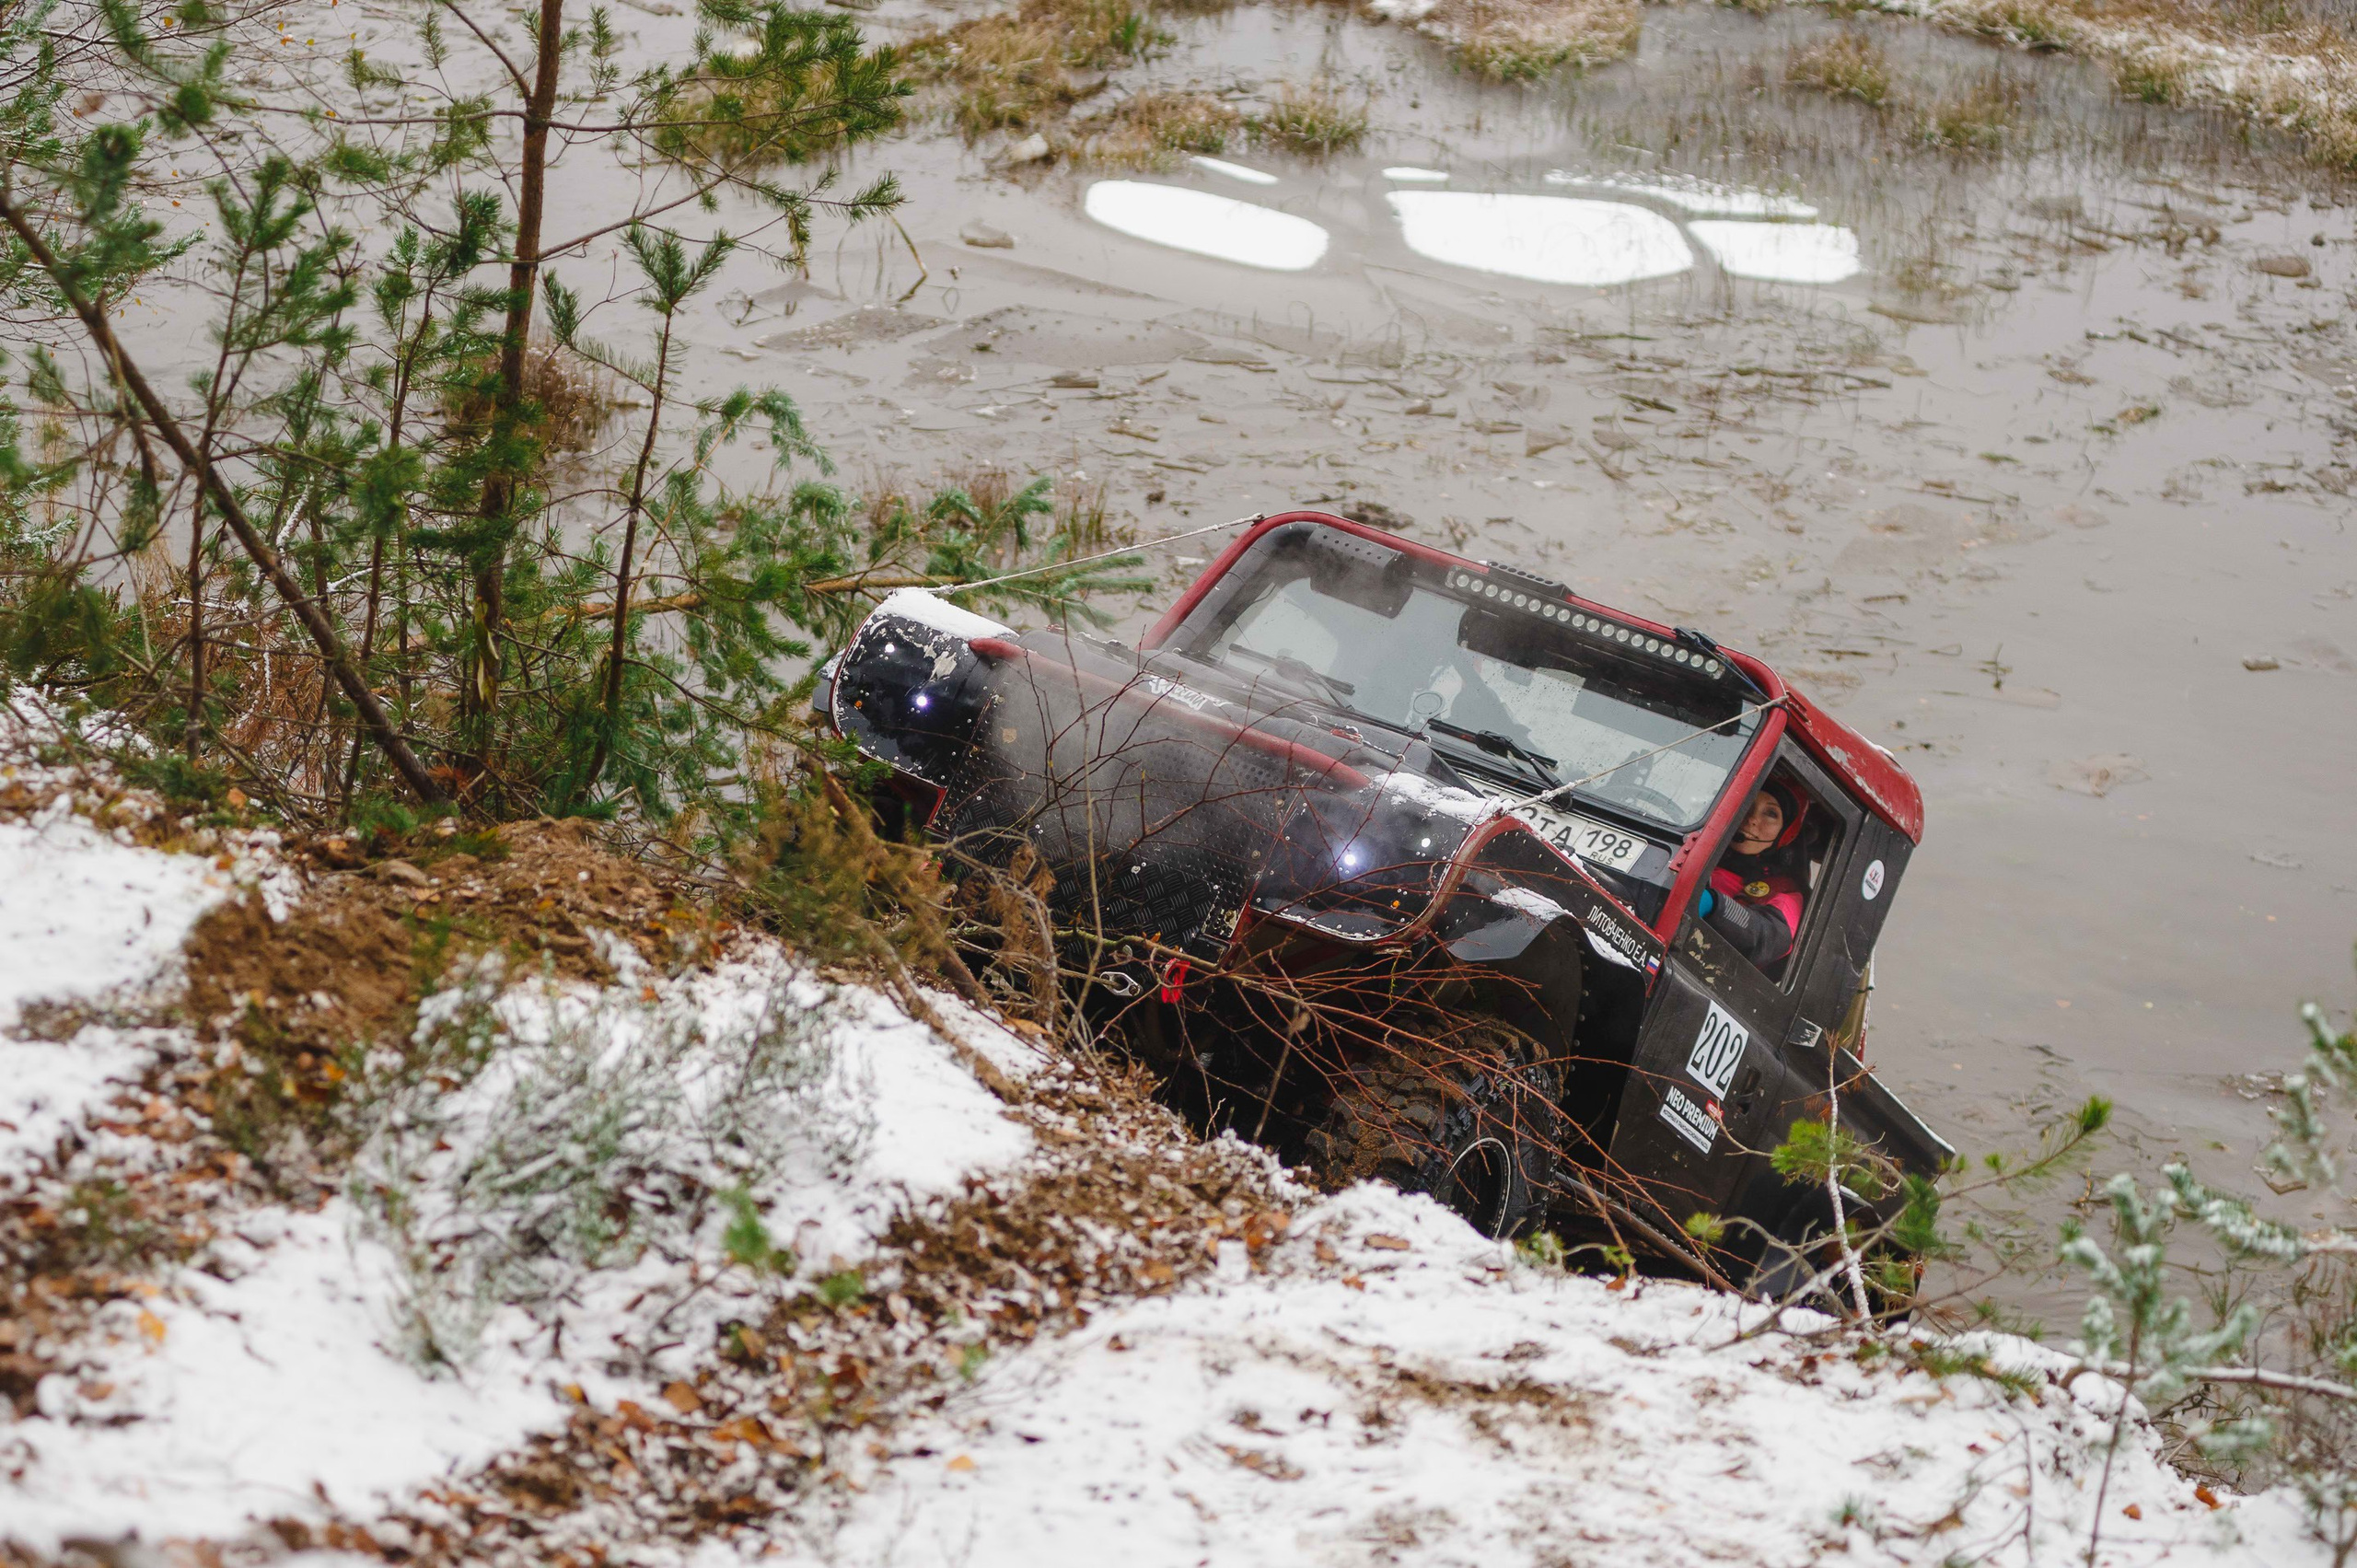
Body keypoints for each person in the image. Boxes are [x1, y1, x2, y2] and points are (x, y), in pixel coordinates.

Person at [1696, 778, 1809, 974]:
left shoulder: (1784, 891)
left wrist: (1715, 905)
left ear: (1785, 832)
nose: (1751, 819)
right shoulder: (1695, 848)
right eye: (1748, 802)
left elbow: (1769, 938)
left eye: (1771, 813)